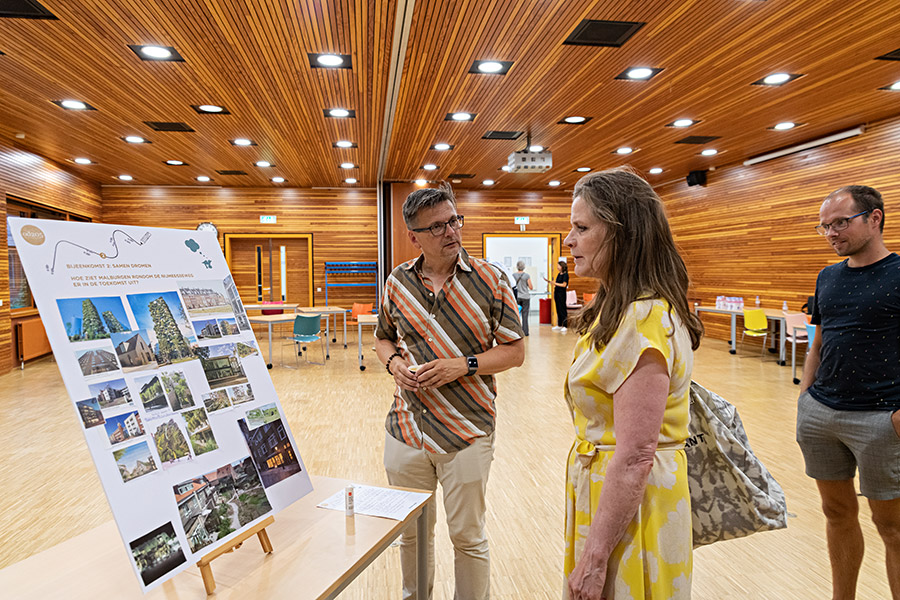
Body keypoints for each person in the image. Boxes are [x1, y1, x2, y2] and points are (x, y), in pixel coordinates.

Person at [375, 184, 525, 600]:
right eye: (437, 227)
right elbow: (383, 338)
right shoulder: (397, 282)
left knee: (467, 536)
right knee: (411, 533)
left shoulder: (491, 280)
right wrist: (394, 364)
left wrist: (463, 365)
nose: (451, 232)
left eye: (454, 221)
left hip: (467, 431)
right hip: (406, 429)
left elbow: (515, 352)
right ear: (414, 236)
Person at [561, 168, 703, 600]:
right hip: (611, 496)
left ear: (623, 235)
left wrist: (595, 557)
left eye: (582, 228)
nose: (569, 240)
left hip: (634, 507)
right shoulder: (619, 309)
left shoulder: (644, 317)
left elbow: (636, 455)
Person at [797, 184, 900, 600]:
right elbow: (819, 343)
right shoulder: (828, 277)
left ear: (874, 218)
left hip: (882, 419)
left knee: (892, 527)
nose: (831, 233)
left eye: (840, 222)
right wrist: (805, 398)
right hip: (821, 414)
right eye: (824, 226)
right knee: (836, 512)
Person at [545, 259, 569, 332]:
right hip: (557, 293)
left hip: (562, 294)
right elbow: (557, 282)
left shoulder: (565, 275)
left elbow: (564, 285)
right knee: (558, 308)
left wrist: (554, 283)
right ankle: (559, 325)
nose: (557, 267)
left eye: (558, 266)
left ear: (562, 266)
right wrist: (550, 282)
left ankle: (565, 325)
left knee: (562, 309)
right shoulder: (559, 274)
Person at [513, 260, 534, 336]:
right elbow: (531, 287)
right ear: (524, 267)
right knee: (525, 315)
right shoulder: (526, 276)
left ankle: (517, 332)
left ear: (517, 267)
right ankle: (525, 332)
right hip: (525, 297)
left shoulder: (513, 275)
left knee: (516, 315)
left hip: (517, 297)